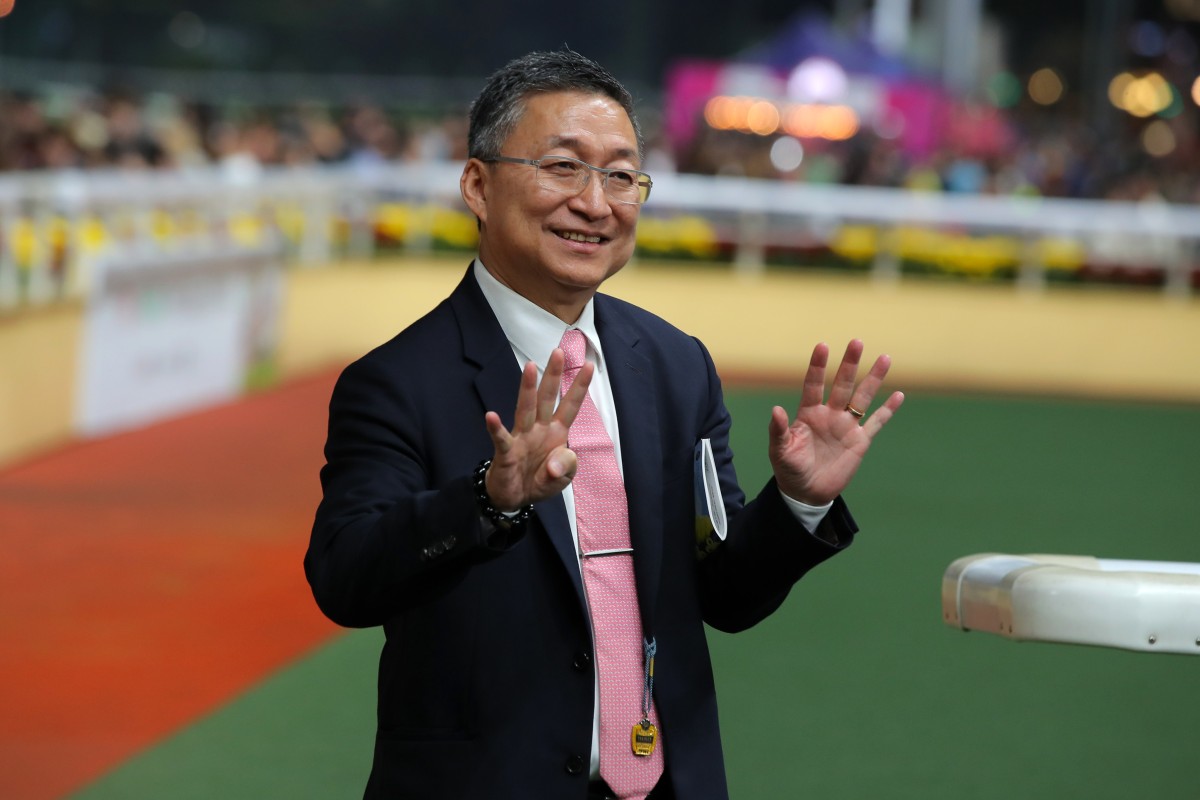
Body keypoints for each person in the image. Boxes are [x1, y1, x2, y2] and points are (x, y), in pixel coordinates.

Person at [305, 48, 904, 800]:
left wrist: (798, 503)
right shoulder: (396, 382)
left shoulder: (676, 365)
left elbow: (724, 593)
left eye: (621, 176)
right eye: (563, 167)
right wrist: (489, 499)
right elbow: (346, 580)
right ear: (479, 185)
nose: (595, 203)